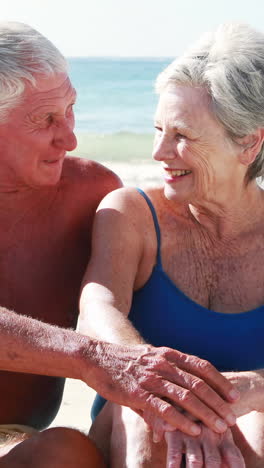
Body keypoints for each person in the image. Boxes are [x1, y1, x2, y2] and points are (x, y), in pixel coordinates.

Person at [0, 21, 238, 468]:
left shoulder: (90, 191)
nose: (69, 137)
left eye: (70, 109)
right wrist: (94, 358)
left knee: (66, 453)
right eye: (45, 120)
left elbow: (117, 299)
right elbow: (100, 342)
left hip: (17, 440)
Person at [79, 22, 264, 467]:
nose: (159, 152)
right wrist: (157, 382)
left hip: (249, 421)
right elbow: (96, 308)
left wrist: (249, 392)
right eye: (157, 129)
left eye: (181, 135)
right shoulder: (131, 214)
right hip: (137, 418)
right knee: (153, 423)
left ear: (249, 143)